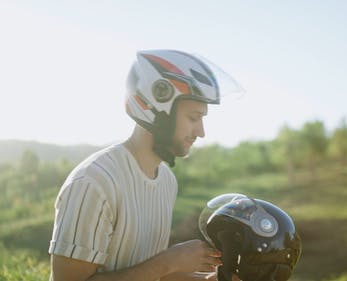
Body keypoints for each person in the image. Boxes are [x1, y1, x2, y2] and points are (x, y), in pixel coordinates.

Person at [48, 49, 241, 281]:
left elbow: (151, 275)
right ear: (158, 109)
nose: (201, 132)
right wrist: (168, 261)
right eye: (193, 118)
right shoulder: (95, 182)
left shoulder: (166, 180)